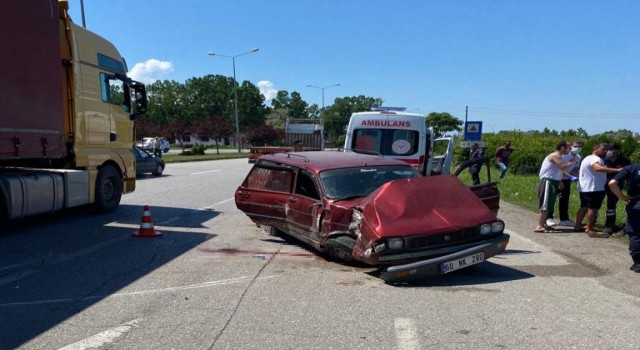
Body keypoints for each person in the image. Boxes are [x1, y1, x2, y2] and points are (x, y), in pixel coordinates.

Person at [574, 143, 621, 237]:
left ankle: (578, 225)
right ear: (595, 149)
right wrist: (617, 170)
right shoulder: (596, 159)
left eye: (607, 150)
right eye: (603, 149)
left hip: (585, 187)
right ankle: (589, 228)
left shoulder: (587, 158)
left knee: (584, 207)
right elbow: (597, 168)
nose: (606, 151)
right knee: (593, 208)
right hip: (594, 187)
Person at [535, 141, 575, 233]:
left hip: (554, 182)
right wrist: (571, 162)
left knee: (549, 205)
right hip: (547, 182)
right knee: (545, 204)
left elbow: (555, 170)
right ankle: (540, 226)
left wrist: (560, 180)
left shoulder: (559, 157)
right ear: (562, 148)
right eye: (569, 147)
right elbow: (562, 167)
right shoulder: (555, 155)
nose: (570, 149)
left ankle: (544, 225)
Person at [608, 160, 640, 272]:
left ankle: (638, 263)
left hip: (636, 203)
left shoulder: (631, 168)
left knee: (636, 233)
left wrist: (621, 196)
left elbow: (612, 183)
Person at [547, 140, 583, 227]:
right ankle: (549, 217)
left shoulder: (578, 157)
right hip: (558, 178)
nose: (577, 148)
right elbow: (560, 168)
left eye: (580, 147)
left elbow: (575, 169)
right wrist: (564, 178)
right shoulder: (564, 155)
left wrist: (578, 177)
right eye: (575, 146)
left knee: (564, 199)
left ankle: (564, 219)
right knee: (552, 198)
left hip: (567, 180)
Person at [603, 144, 631, 234]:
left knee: (611, 205)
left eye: (611, 149)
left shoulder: (624, 161)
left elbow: (628, 176)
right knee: (596, 205)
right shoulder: (602, 159)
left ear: (616, 151)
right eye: (608, 149)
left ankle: (610, 225)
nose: (609, 151)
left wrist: (629, 187)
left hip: (616, 186)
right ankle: (591, 224)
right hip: (602, 184)